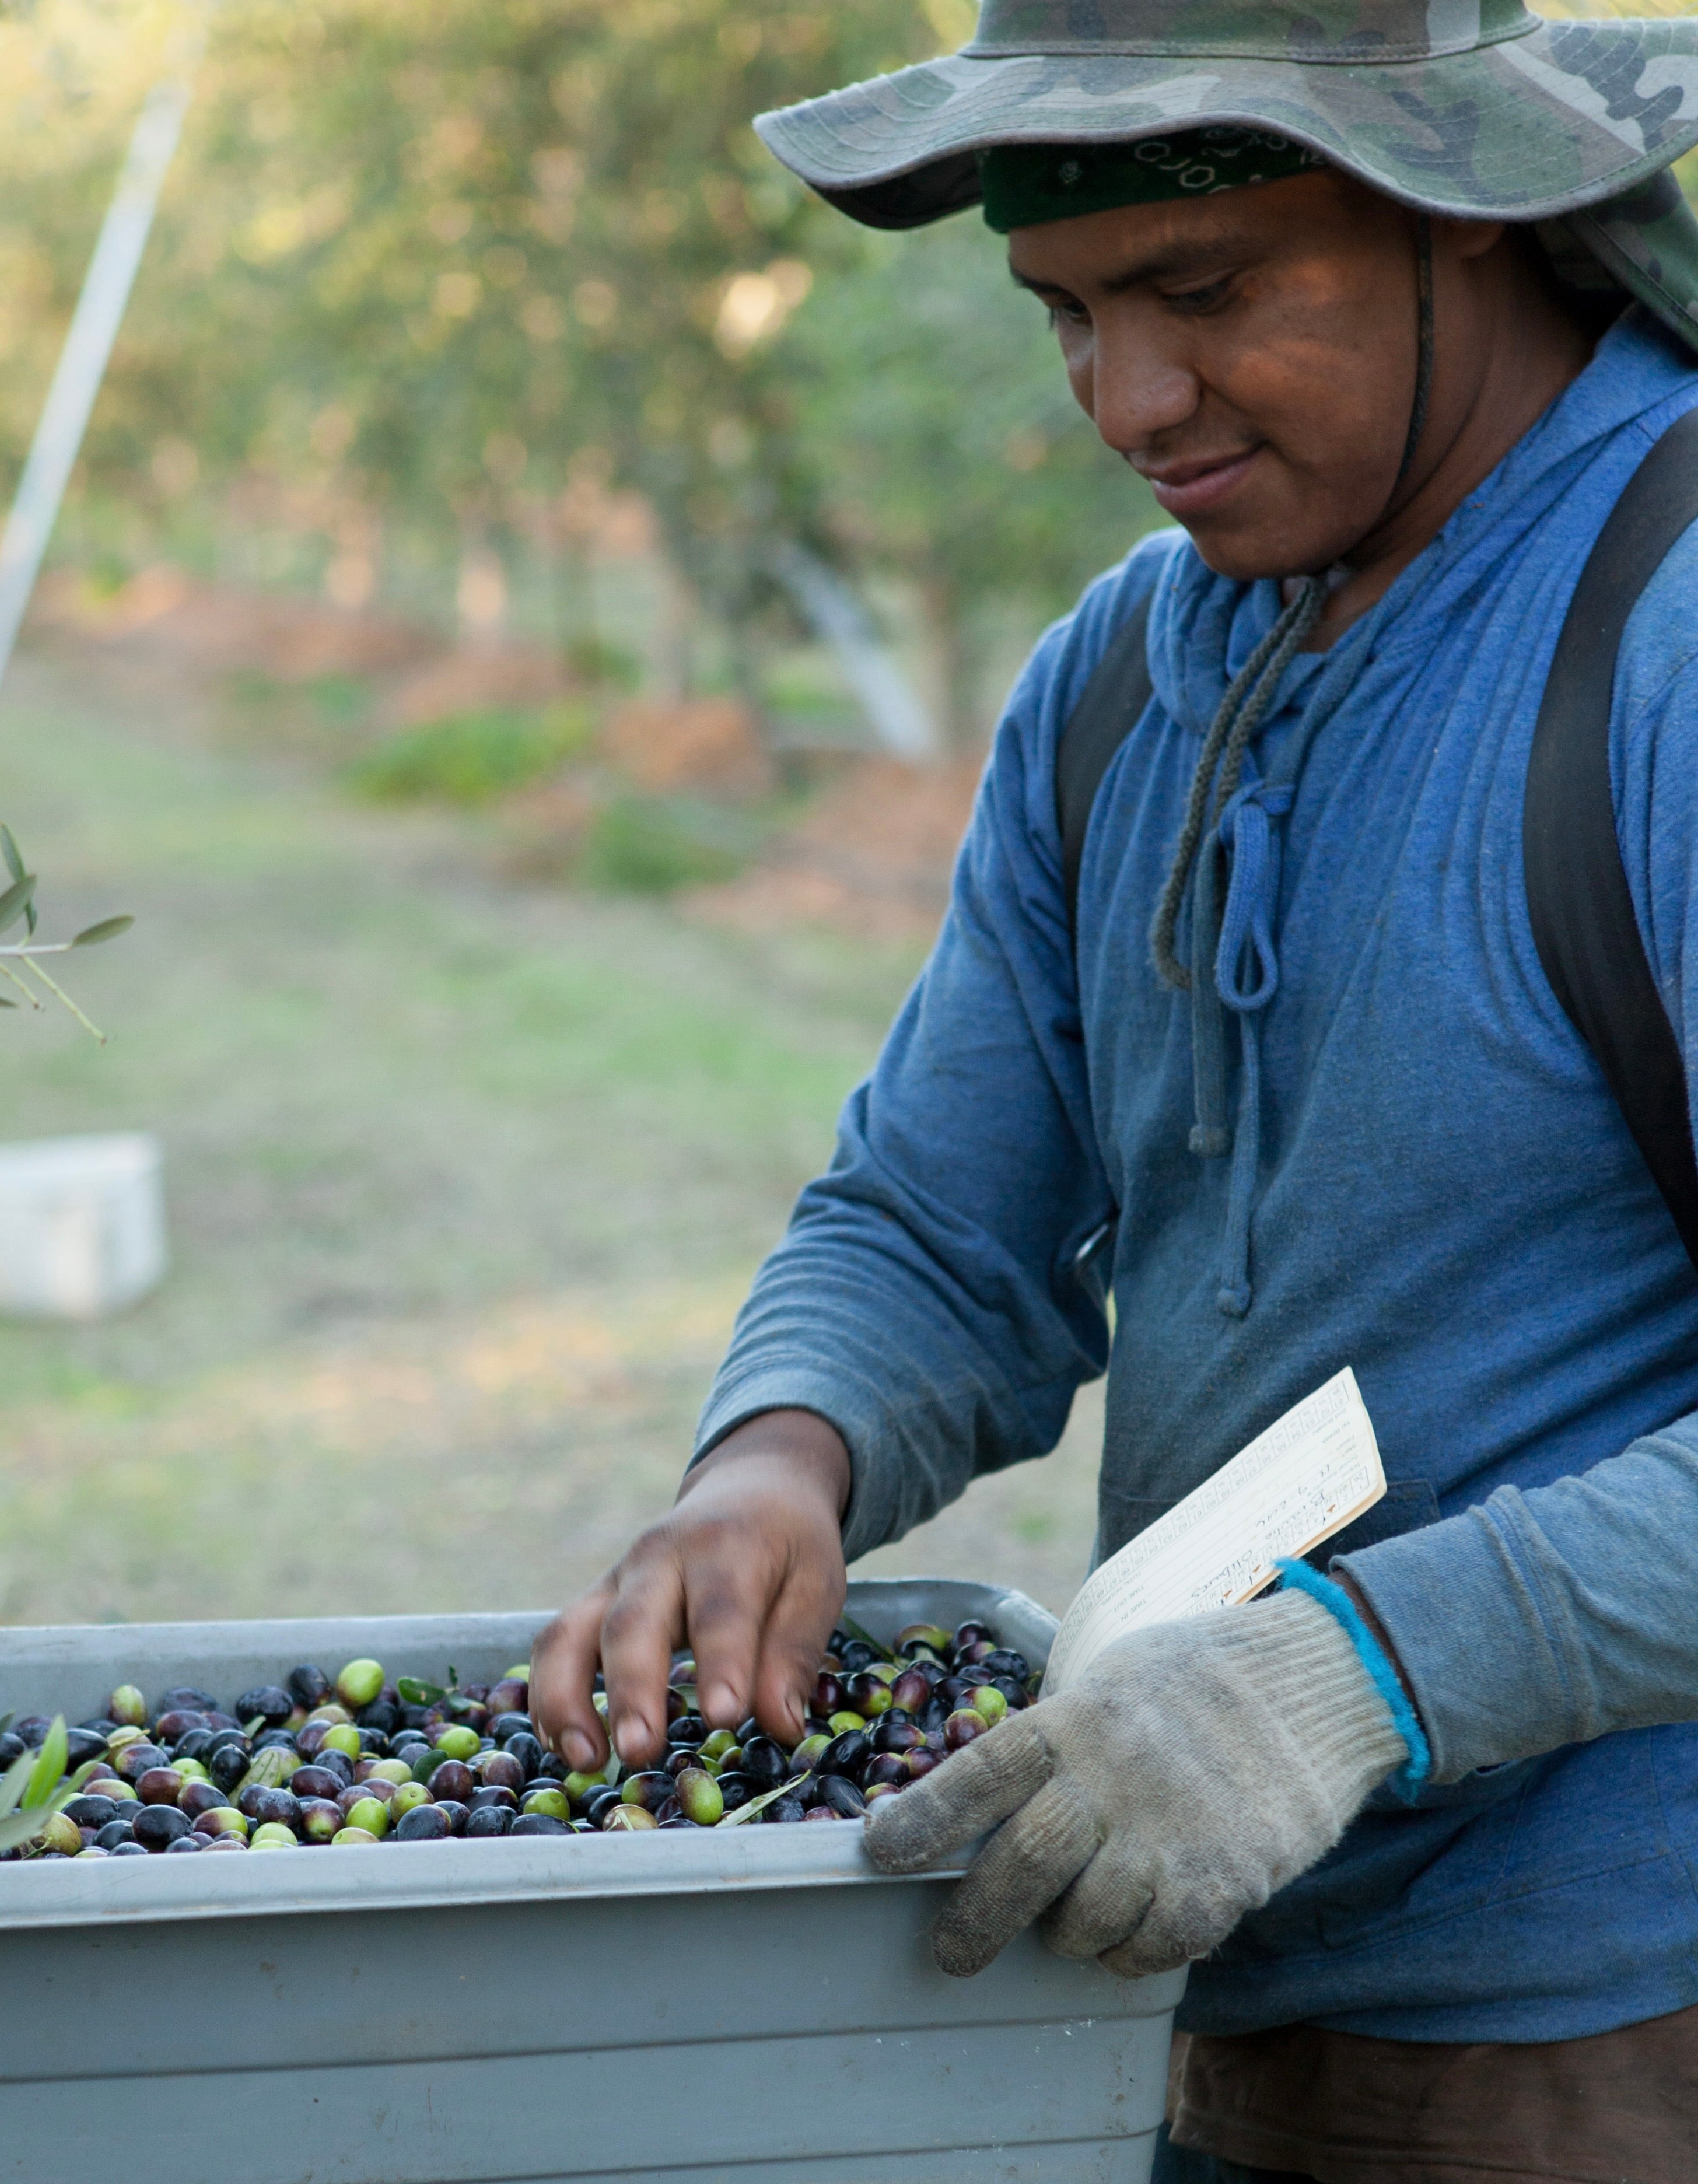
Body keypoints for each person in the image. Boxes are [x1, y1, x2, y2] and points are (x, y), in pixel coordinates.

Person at [528, 6, 1698, 2179]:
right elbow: (937, 1223)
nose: (1128, 402)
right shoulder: (1125, 674)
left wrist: (1353, 1678)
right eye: (1067, 313)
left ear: (1479, 220)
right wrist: (777, 1463)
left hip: (1614, 2037)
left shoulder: (1671, 637)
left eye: (1211, 290)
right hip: (1193, 1969)